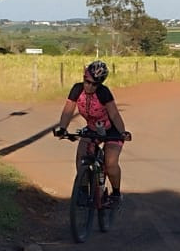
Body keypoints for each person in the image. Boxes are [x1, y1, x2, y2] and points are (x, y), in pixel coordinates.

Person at [54, 61, 130, 206]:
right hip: (92, 128)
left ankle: (116, 194)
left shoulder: (103, 92)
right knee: (81, 156)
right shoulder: (77, 89)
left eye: (94, 84)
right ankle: (82, 191)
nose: (89, 86)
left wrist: (122, 132)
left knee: (110, 163)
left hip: (112, 129)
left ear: (100, 83)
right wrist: (63, 128)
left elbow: (114, 115)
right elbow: (68, 110)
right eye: (86, 81)